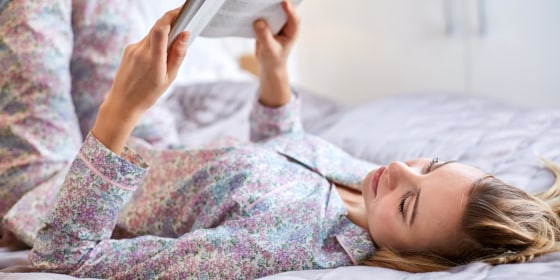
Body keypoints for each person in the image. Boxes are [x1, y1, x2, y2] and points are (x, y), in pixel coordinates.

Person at [1, 0, 559, 279]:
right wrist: (275, 71)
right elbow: (283, 154)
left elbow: (69, 254)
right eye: (429, 164)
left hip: (50, 186)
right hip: (150, 142)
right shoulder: (369, 186)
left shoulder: (275, 246)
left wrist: (121, 107)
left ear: (411, 257)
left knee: (33, 12)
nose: (399, 171)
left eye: (409, 203)